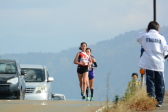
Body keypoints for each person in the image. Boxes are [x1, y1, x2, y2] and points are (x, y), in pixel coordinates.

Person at [136, 21, 167, 107]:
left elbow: (138, 38)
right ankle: (159, 101)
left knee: (150, 83)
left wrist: (145, 31)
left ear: (148, 28)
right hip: (159, 64)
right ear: (158, 29)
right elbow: (165, 49)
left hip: (148, 63)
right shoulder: (161, 38)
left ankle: (150, 99)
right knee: (159, 83)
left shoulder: (145, 36)